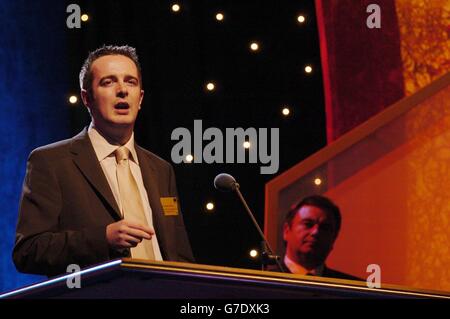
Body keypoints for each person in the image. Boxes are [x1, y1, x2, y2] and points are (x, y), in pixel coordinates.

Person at [13, 45, 194, 277]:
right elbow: (28, 251)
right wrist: (103, 238)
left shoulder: (161, 169)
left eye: (130, 82)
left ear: (140, 98)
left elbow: (180, 254)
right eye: (108, 82)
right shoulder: (51, 162)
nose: (122, 90)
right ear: (86, 98)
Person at [269, 195, 360, 280]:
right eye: (308, 224)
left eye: (325, 227)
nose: (316, 232)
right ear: (286, 230)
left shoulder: (354, 289)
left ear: (334, 238)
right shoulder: (263, 282)